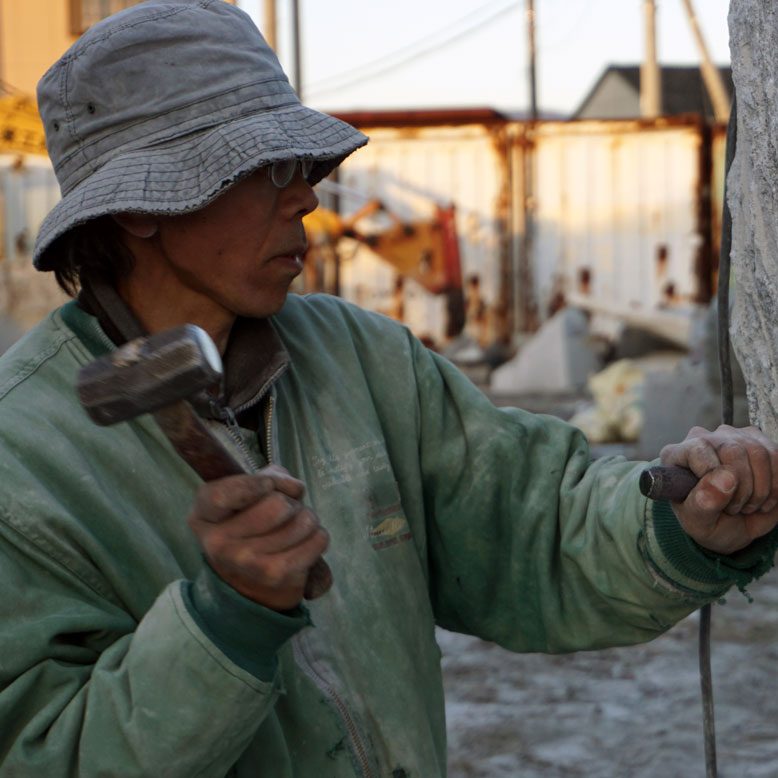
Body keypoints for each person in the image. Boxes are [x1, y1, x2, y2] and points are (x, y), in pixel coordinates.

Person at [0, 2, 776, 776]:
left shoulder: (358, 358)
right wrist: (223, 623)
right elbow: (45, 754)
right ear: (142, 207)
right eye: (272, 168)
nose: (305, 197)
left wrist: (680, 526)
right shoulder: (22, 460)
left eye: (303, 168)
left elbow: (529, 524)